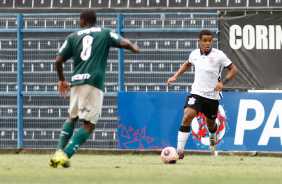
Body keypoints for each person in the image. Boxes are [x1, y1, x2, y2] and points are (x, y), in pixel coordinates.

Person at [49, 9, 140, 168]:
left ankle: (58, 151)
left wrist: (62, 80)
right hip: (93, 81)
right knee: (89, 123)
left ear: (82, 21)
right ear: (94, 20)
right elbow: (123, 42)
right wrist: (134, 48)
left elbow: (58, 60)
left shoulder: (73, 36)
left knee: (73, 117)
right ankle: (65, 154)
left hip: (76, 81)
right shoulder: (104, 32)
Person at [167, 29, 237, 159]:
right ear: (199, 41)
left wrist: (222, 83)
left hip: (212, 96)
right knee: (187, 116)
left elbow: (233, 69)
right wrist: (175, 76)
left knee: (210, 124)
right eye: (205, 41)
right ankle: (179, 151)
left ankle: (212, 135)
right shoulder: (194, 54)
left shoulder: (219, 55)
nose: (207, 43)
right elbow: (187, 64)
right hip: (197, 93)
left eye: (210, 40)